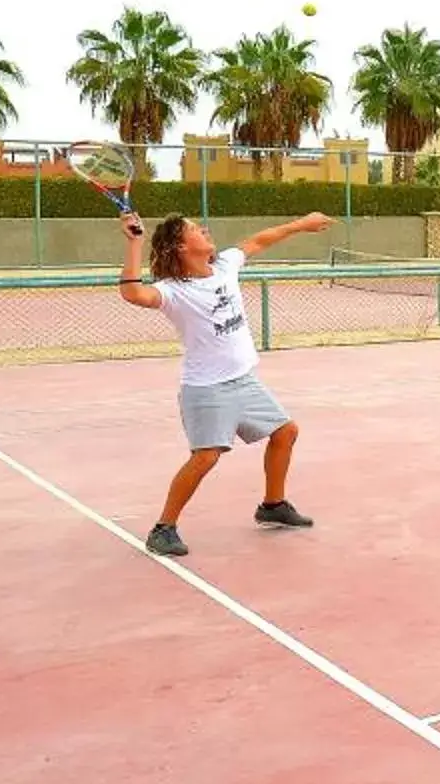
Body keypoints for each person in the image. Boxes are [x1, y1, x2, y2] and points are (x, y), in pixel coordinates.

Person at [116, 207, 335, 557]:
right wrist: (134, 243)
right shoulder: (173, 291)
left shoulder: (226, 265)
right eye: (193, 229)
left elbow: (259, 240)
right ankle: (163, 528)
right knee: (205, 457)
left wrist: (302, 225)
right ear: (180, 247)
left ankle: (272, 504)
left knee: (285, 432)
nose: (204, 230)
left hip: (244, 381)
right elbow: (133, 294)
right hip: (207, 389)